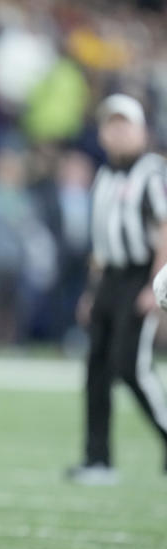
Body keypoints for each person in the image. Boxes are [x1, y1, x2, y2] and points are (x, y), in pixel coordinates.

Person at [68, 94, 167, 485]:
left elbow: (165, 228)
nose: (117, 132)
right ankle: (98, 459)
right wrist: (92, 291)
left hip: (141, 275)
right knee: (96, 369)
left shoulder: (154, 171)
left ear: (141, 130)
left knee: (133, 366)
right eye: (110, 124)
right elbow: (102, 241)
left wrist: (154, 283)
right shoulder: (105, 175)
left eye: (124, 124)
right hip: (111, 278)